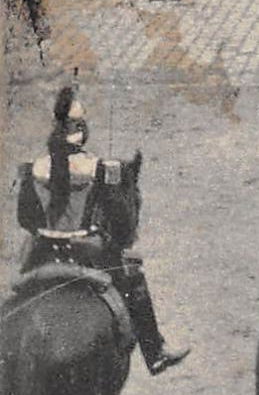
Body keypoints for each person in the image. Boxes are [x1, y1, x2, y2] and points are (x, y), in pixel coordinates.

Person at [15, 86, 190, 376]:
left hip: (42, 251)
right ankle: (155, 352)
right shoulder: (99, 168)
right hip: (88, 252)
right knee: (134, 282)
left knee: (14, 295)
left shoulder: (34, 168)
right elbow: (121, 225)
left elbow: (25, 220)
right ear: (80, 130)